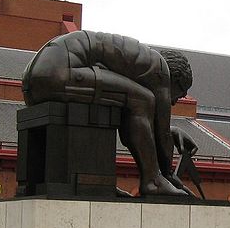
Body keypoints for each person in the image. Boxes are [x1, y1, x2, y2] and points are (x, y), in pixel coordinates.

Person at [22, 30, 194, 197]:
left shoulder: (141, 62)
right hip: (59, 72)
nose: (172, 102)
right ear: (176, 81)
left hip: (33, 81)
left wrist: (169, 132)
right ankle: (153, 182)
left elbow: (142, 124)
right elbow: (161, 131)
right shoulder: (161, 70)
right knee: (143, 100)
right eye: (178, 95)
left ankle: (98, 185)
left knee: (129, 100)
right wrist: (168, 175)